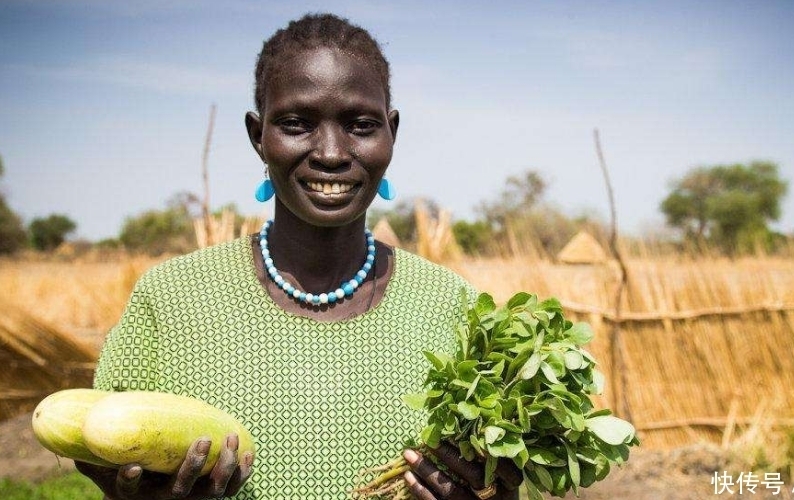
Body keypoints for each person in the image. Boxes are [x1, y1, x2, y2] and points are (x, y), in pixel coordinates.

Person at [75, 13, 522, 500]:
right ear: (258, 135)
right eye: (296, 124)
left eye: (361, 125)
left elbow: (495, 480)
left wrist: (490, 494)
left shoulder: (453, 307)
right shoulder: (171, 299)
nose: (330, 153)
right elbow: (101, 445)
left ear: (391, 133)